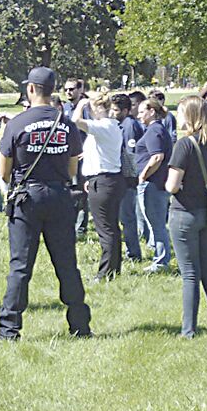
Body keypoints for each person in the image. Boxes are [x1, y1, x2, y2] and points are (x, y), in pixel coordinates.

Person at [0, 67, 91, 340]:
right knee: (66, 264)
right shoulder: (66, 123)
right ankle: (80, 325)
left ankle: (9, 330)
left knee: (20, 266)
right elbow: (73, 167)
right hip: (60, 196)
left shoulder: (16, 123)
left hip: (27, 198)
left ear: (30, 89)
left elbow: (4, 173)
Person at [165, 95, 207, 337]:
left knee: (190, 274)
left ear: (189, 116)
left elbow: (172, 186)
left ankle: (188, 329)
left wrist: (180, 186)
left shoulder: (184, 145)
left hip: (184, 214)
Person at [72, 92, 127, 280]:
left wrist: (80, 104)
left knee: (105, 229)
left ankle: (105, 274)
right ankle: (114, 269)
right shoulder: (112, 126)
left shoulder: (102, 126)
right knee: (112, 227)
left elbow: (75, 121)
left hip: (104, 182)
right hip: (110, 179)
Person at [134, 98, 173, 272]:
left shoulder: (154, 131)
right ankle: (160, 257)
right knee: (155, 223)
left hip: (153, 184)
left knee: (156, 224)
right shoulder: (157, 129)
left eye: (142, 112)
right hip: (158, 183)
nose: (139, 115)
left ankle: (161, 261)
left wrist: (143, 175)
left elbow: (157, 157)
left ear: (152, 111)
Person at [115, 94, 145, 261]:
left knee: (128, 217)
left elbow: (130, 154)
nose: (113, 113)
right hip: (123, 178)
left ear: (125, 110)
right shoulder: (122, 124)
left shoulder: (129, 126)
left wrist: (129, 178)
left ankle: (133, 253)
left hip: (127, 179)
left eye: (116, 110)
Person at [61, 78, 90, 239]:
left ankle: (80, 229)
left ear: (79, 90)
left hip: (81, 157)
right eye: (66, 89)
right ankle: (68, 224)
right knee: (68, 192)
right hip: (66, 156)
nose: (68, 92)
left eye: (71, 89)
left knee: (81, 193)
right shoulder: (64, 108)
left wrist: (87, 151)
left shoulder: (86, 109)